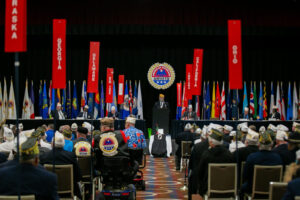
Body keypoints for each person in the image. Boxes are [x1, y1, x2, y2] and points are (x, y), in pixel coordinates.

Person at [40, 132, 82, 198]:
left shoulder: (44, 157)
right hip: (69, 192)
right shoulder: (71, 156)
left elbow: (41, 178)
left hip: (49, 193)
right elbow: (78, 177)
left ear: (52, 144)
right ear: (63, 144)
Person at [241, 131, 282, 197]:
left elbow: (245, 175)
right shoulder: (277, 158)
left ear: (258, 145)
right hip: (273, 190)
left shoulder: (252, 157)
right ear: (271, 145)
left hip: (253, 189)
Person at [196, 128, 234, 196]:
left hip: (209, 189)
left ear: (211, 142)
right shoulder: (229, 154)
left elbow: (200, 173)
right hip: (228, 189)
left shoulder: (206, 155)